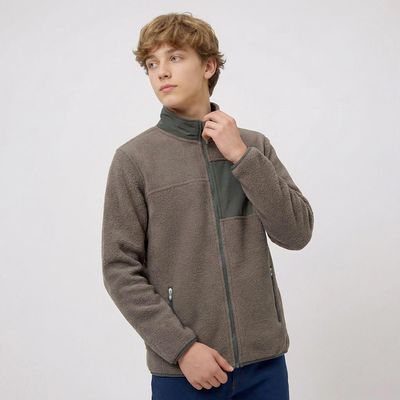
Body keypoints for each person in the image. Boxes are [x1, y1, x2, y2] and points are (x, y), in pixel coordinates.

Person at [101, 11, 314, 399]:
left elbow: (296, 233)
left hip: (265, 366)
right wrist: (181, 348)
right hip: (186, 373)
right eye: (152, 63)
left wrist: (242, 158)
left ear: (208, 66)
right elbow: (119, 269)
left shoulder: (253, 146)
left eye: (175, 57)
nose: (162, 72)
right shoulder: (135, 159)